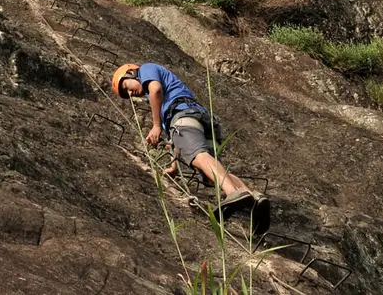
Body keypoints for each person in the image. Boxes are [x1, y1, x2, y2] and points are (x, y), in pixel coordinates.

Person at [111, 62, 270, 234]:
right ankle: (253, 197)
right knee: (211, 174)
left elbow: (156, 89)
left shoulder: (146, 70)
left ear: (131, 72)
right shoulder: (163, 98)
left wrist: (156, 125)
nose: (129, 93)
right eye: (126, 94)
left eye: (126, 86)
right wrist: (174, 166)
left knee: (199, 156)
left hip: (183, 116)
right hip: (200, 120)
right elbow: (174, 138)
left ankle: (232, 193)